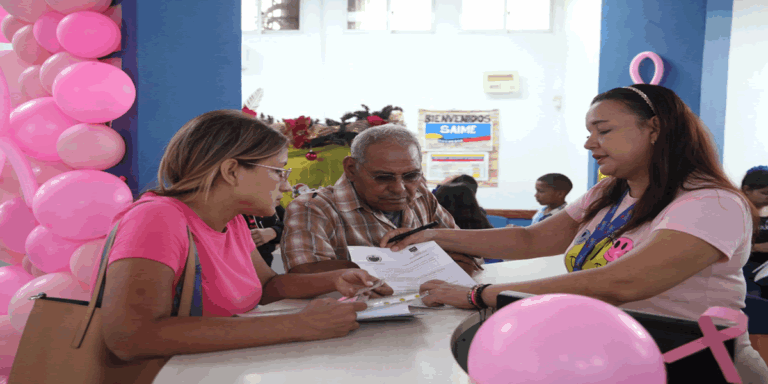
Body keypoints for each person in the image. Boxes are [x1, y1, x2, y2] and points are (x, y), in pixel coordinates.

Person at [381, 84, 768, 382]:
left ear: (654, 129)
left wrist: (479, 295)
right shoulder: (610, 192)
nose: (589, 143)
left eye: (603, 130)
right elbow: (531, 239)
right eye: (588, 132)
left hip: (699, 363)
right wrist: (436, 236)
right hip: (623, 359)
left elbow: (623, 282)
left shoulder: (710, 204)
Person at [97, 110, 393, 363]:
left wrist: (334, 278)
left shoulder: (234, 221)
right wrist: (299, 325)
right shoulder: (156, 218)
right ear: (231, 171)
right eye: (278, 171)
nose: (287, 186)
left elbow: (266, 286)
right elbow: (131, 337)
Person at [281, 124, 483, 275]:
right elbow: (305, 276)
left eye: (411, 175)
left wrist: (367, 267)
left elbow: (468, 256)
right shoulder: (313, 208)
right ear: (351, 169)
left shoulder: (422, 196)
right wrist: (421, 263)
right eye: (383, 177)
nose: (399, 188)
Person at [742, 166, 768, 298]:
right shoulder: (737, 211)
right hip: (745, 268)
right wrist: (758, 247)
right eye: (765, 193)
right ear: (747, 190)